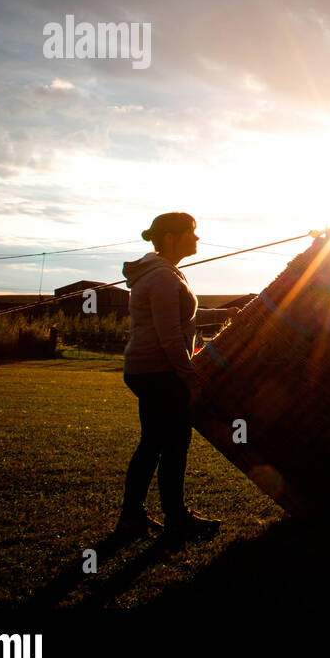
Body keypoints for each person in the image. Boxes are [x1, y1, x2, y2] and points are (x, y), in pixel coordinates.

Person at [116, 212, 229, 547]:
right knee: (174, 444)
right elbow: (168, 337)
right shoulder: (163, 277)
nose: (197, 239)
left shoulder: (163, 273)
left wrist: (223, 314)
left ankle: (132, 516)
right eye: (190, 233)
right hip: (158, 372)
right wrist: (191, 379)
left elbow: (182, 318)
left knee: (152, 445)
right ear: (169, 237)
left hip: (146, 370)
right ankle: (176, 519)